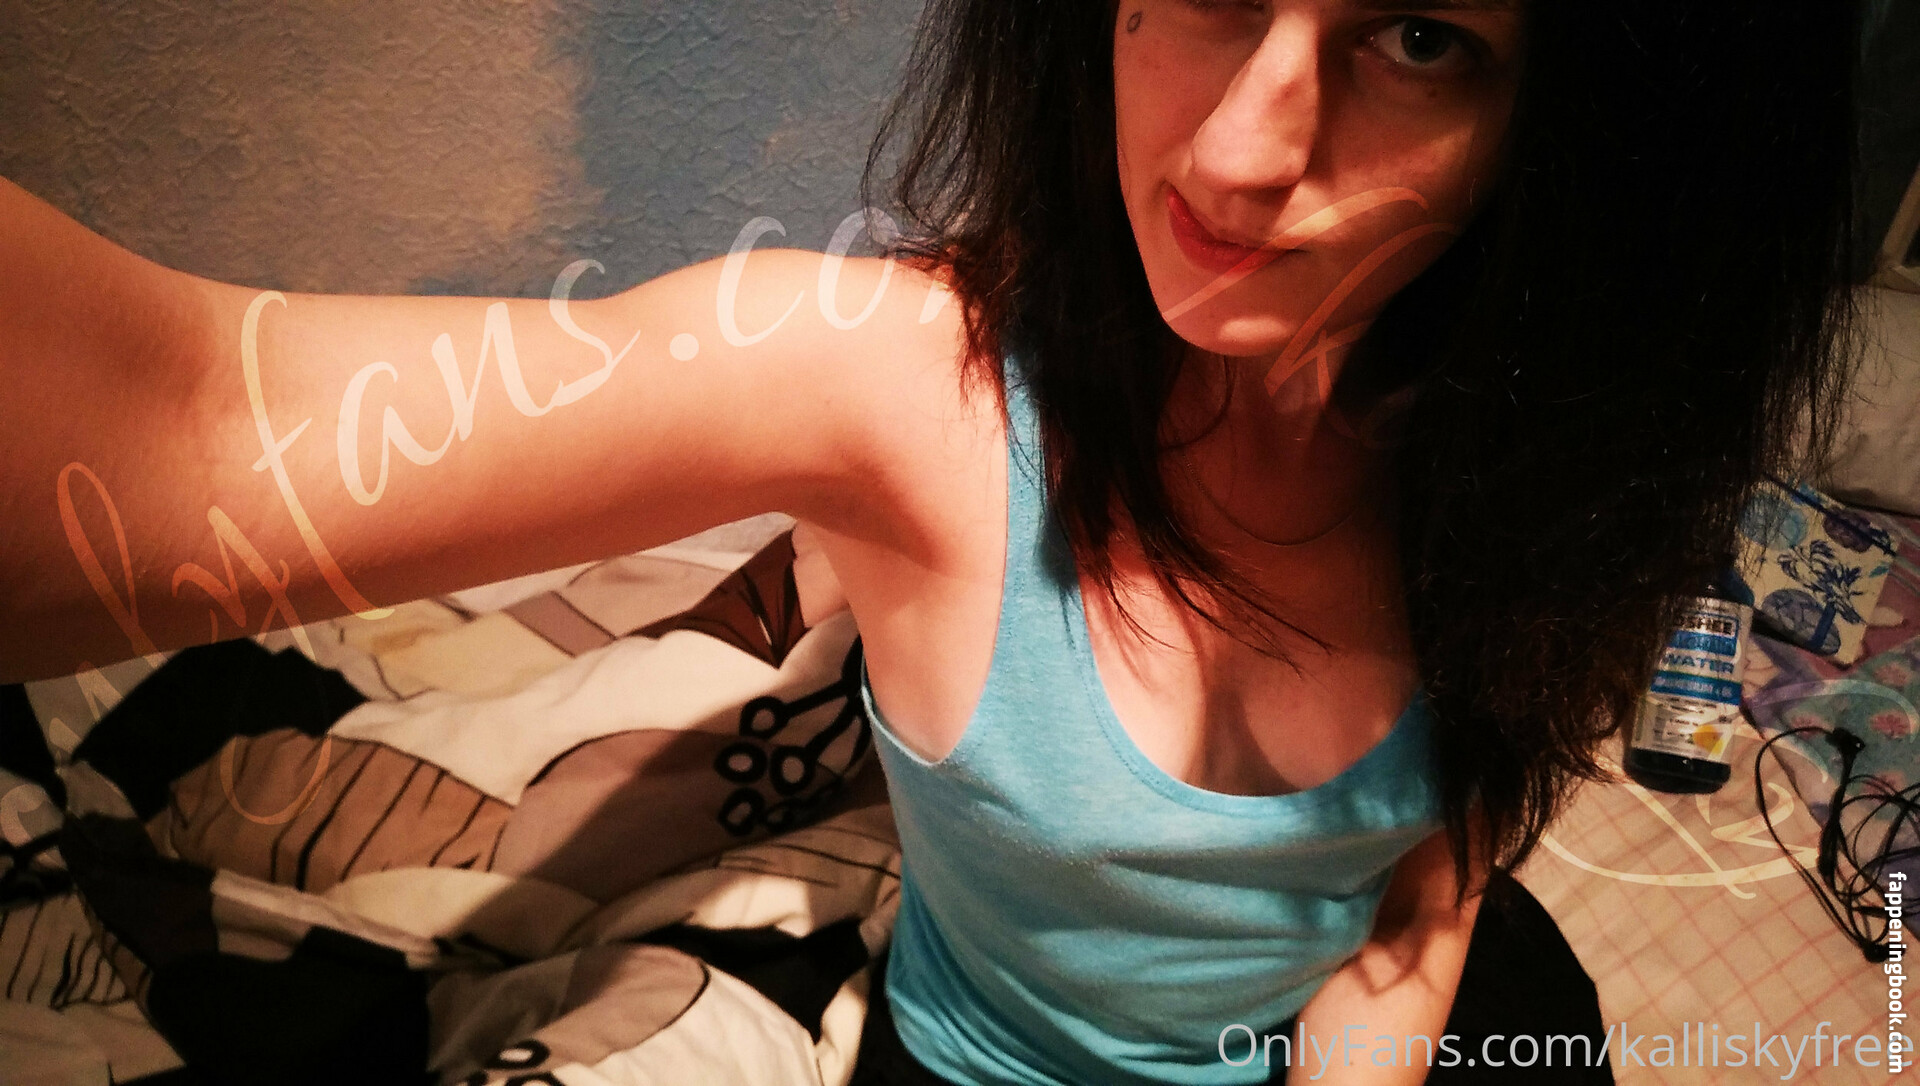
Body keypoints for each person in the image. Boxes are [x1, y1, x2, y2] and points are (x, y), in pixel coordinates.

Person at [0, 0, 1861, 1083]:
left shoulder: (1551, 483)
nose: (1237, 151)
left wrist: (1382, 1017)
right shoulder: (905, 384)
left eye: (1419, 36)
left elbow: (1441, 851)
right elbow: (201, 422)